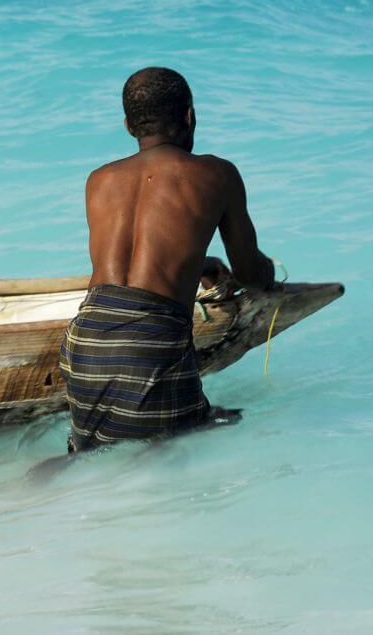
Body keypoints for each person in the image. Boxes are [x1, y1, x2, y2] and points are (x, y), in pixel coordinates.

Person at [59, 67, 274, 453]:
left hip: (85, 346)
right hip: (150, 350)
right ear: (190, 116)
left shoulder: (99, 179)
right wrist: (269, 275)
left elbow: (135, 265)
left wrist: (198, 264)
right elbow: (249, 271)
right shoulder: (217, 174)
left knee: (85, 452)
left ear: (128, 126)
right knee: (205, 437)